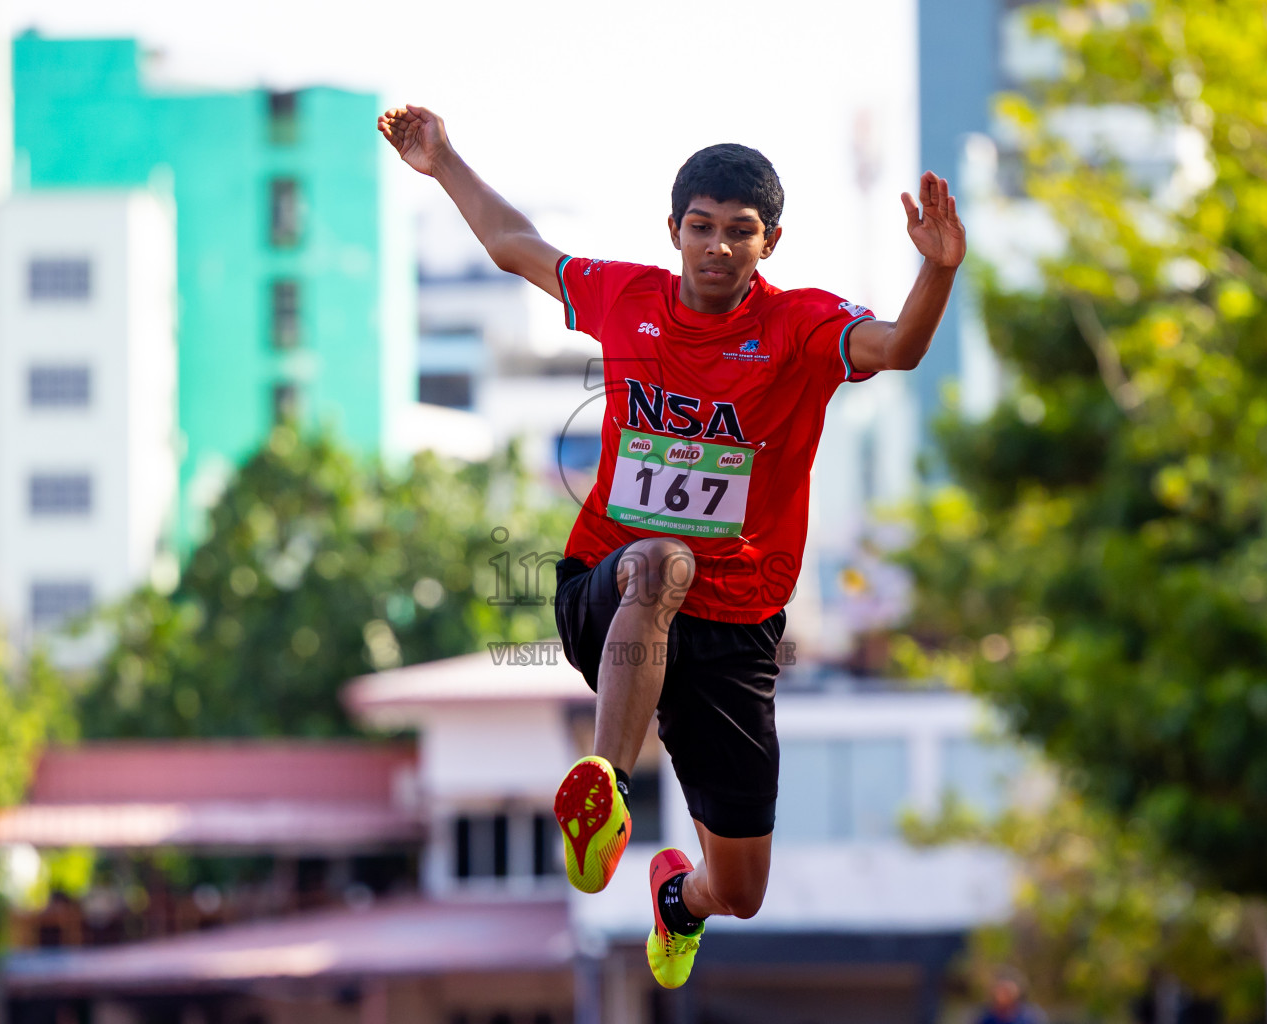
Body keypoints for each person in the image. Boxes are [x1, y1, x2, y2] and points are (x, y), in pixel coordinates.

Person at [379, 104, 966, 989]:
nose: (718, 248)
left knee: (742, 889)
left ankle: (675, 902)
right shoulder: (628, 299)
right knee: (662, 559)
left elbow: (899, 348)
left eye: (741, 233)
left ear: (770, 242)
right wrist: (446, 159)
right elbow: (514, 244)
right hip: (608, 591)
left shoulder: (800, 326)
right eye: (702, 228)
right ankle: (607, 789)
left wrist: (936, 270)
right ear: (674, 230)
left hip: (736, 628)